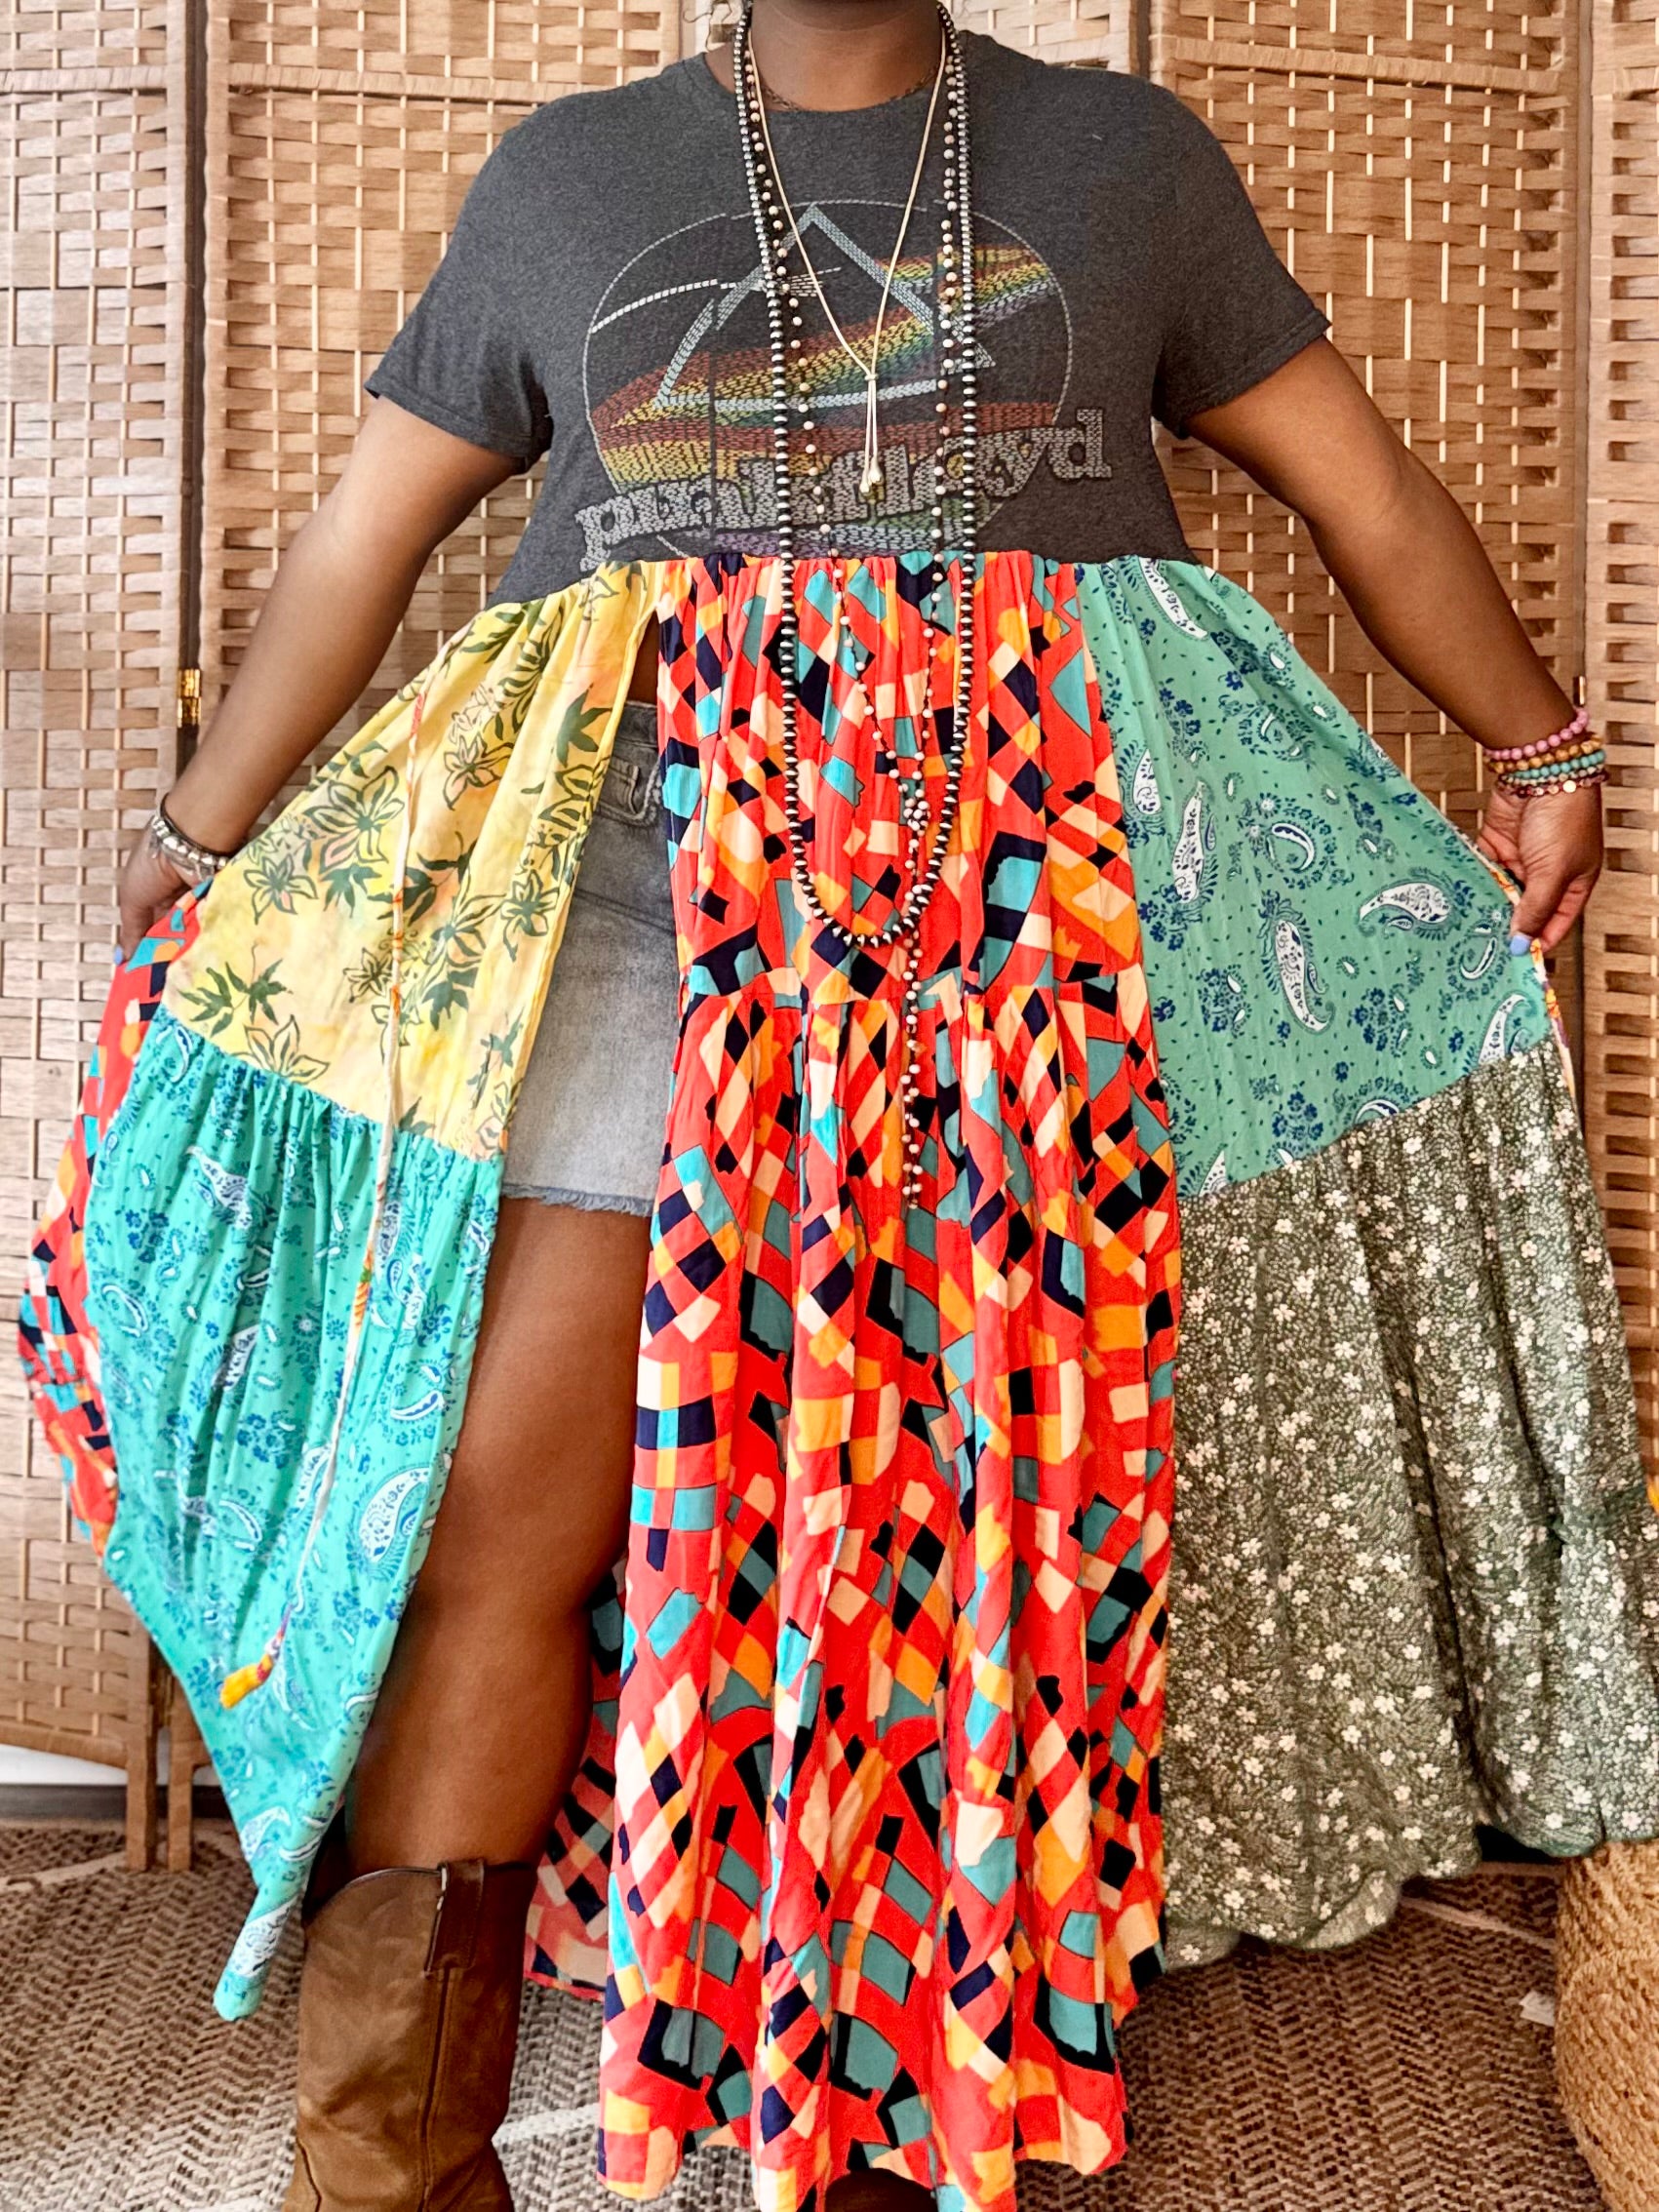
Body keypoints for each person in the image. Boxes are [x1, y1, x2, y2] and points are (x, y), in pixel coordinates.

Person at [73, 0, 1655, 2207]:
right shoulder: (566, 179)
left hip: (1007, 914)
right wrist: (204, 826)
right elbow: (366, 535)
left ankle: (919, 2114)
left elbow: (1358, 484)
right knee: (497, 1506)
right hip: (634, 893)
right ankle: (390, 2164)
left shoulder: (1122, 159)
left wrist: (1540, 743)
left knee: (952, 1499)